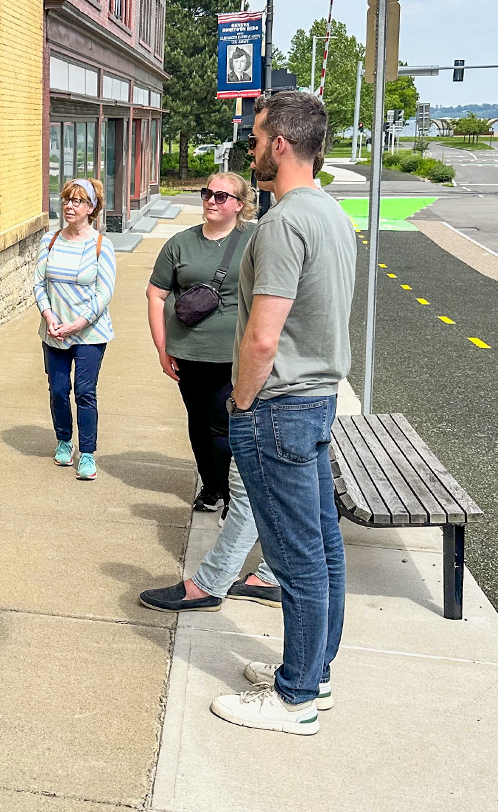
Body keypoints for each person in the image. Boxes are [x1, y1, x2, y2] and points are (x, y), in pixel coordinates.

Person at [210, 90, 357, 736]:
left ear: (281, 145)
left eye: (257, 136)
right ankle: (314, 673)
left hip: (279, 408)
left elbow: (263, 336)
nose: (251, 148)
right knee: (322, 548)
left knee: (296, 558)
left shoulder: (284, 222)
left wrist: (242, 401)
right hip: (317, 402)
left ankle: (295, 698)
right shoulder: (331, 214)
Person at [137, 172, 281, 613]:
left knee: (222, 426)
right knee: (198, 423)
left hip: (234, 357)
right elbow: (156, 292)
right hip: (188, 352)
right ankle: (216, 489)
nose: (212, 200)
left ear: (241, 203)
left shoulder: (256, 239)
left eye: (222, 195)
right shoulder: (181, 243)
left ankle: (227, 493)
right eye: (207, 193)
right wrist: (163, 348)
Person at [34, 178, 117, 481]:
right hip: (54, 330)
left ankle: (87, 454)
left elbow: (104, 292)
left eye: (78, 201)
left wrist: (78, 323)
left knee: (85, 392)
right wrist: (48, 315)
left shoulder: (100, 245)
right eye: (67, 199)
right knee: (58, 389)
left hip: (89, 333)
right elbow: (39, 284)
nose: (69, 206)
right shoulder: (49, 240)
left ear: (92, 208)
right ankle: (64, 441)